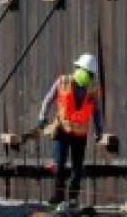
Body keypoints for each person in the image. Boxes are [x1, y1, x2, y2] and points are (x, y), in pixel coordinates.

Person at [36, 52, 105, 208]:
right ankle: (58, 196)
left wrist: (99, 130)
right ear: (78, 68)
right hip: (61, 130)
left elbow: (97, 112)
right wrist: (42, 117)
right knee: (59, 165)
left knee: (77, 168)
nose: (86, 75)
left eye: (89, 74)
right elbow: (48, 99)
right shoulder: (62, 82)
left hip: (80, 134)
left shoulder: (92, 91)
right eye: (84, 71)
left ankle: (73, 198)